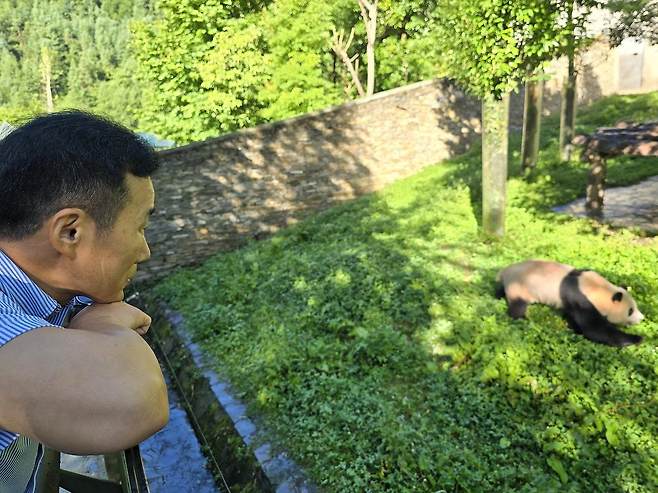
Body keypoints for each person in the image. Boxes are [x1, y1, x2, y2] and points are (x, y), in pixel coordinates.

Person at [0, 111, 169, 492]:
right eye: (140, 227)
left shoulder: (40, 285)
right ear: (70, 232)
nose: (145, 250)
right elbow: (135, 404)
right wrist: (104, 324)